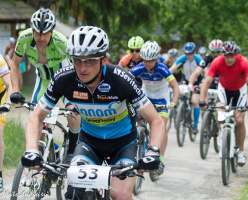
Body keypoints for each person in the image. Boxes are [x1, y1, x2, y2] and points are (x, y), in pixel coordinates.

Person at [19, 26, 164, 200]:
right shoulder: (63, 79)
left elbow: (156, 120)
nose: (82, 68)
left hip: (123, 144)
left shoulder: (121, 79)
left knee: (120, 194)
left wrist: (153, 152)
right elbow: (36, 116)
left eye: (90, 61)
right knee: (75, 192)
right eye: (77, 60)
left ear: (103, 59)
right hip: (90, 143)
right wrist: (32, 150)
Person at [9, 8, 80, 159]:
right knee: (36, 119)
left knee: (74, 115)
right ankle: (48, 151)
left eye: (45, 33)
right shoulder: (24, 38)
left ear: (52, 32)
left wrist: (79, 94)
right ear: (32, 30)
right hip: (43, 80)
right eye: (37, 33)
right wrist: (15, 90)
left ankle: (72, 150)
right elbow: (15, 64)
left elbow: (78, 68)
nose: (40, 37)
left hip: (65, 80)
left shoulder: (62, 42)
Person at [199, 41, 248, 166]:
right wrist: (202, 100)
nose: (230, 58)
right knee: (220, 114)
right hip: (223, 89)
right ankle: (222, 135)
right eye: (227, 55)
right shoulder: (217, 62)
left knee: (240, 120)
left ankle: (240, 152)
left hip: (240, 90)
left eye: (232, 55)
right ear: (223, 54)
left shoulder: (243, 62)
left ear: (236, 54)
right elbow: (207, 82)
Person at [130, 41, 180, 178]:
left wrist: (173, 103)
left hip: (162, 99)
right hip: (146, 97)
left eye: (151, 61)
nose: (147, 64)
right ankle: (140, 147)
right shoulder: (139, 68)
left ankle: (160, 159)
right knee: (137, 122)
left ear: (156, 59)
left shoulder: (163, 69)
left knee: (161, 126)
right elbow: (125, 81)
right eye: (145, 60)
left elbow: (175, 87)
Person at [170, 42, 205, 134]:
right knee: (179, 94)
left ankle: (195, 125)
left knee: (194, 101)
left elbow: (203, 71)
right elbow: (172, 69)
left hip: (197, 82)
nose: (189, 55)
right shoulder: (182, 58)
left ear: (194, 52)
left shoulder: (198, 59)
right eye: (186, 53)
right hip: (185, 81)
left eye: (191, 53)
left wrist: (203, 83)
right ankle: (181, 110)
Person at [0, 55, 12, 192]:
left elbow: (9, 85)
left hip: (1, 97)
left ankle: (0, 176)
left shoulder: (0, 60)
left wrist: (8, 104)